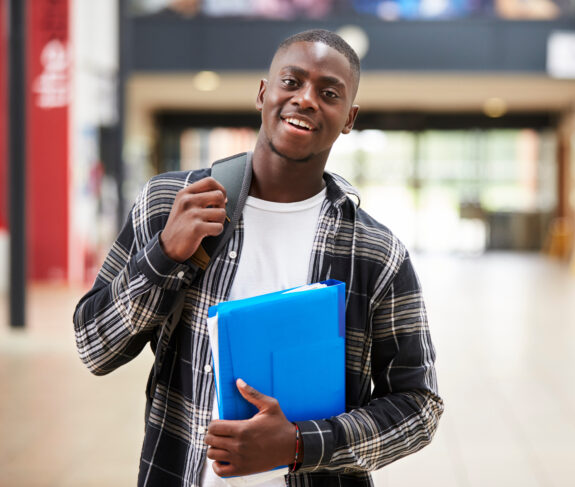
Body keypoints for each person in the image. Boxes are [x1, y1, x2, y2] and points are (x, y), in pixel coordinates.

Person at [74, 29, 443, 487]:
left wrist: (300, 444)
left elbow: (418, 407)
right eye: (292, 81)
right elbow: (94, 347)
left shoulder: (376, 253)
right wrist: (164, 256)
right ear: (263, 93)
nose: (306, 99)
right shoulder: (172, 202)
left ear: (349, 118)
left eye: (328, 93)